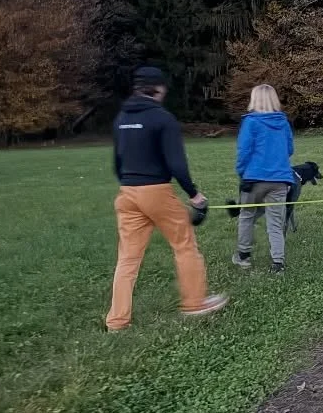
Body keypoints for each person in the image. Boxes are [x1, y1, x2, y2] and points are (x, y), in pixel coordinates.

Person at [106, 67, 227, 330]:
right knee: (184, 245)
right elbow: (177, 165)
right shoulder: (163, 119)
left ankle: (117, 320)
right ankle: (195, 302)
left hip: (127, 194)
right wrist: (194, 195)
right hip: (157, 191)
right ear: (158, 89)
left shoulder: (121, 118)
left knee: (127, 259)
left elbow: (118, 163)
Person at [233, 84, 296, 274]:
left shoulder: (251, 122)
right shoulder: (283, 122)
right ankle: (278, 264)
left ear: (254, 99)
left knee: (246, 216)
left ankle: (243, 257)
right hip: (280, 180)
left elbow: (244, 150)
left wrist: (241, 171)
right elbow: (290, 149)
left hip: (254, 178)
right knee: (275, 222)